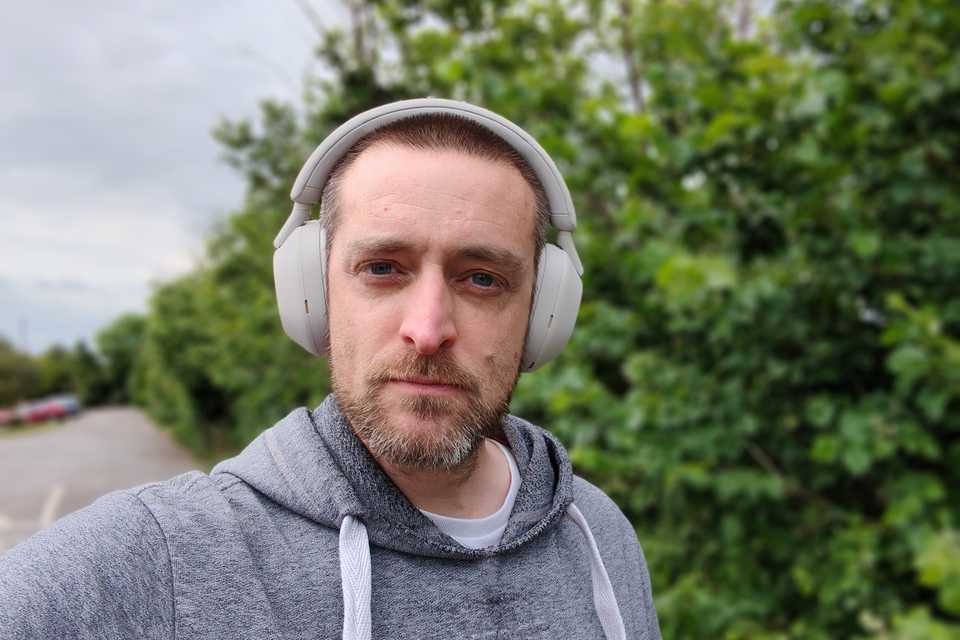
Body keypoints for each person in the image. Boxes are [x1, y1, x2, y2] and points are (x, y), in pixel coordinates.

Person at [0, 99, 661, 639]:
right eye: (383, 268)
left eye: (482, 277)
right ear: (311, 296)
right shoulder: (165, 556)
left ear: (544, 314)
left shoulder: (599, 535)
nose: (428, 329)